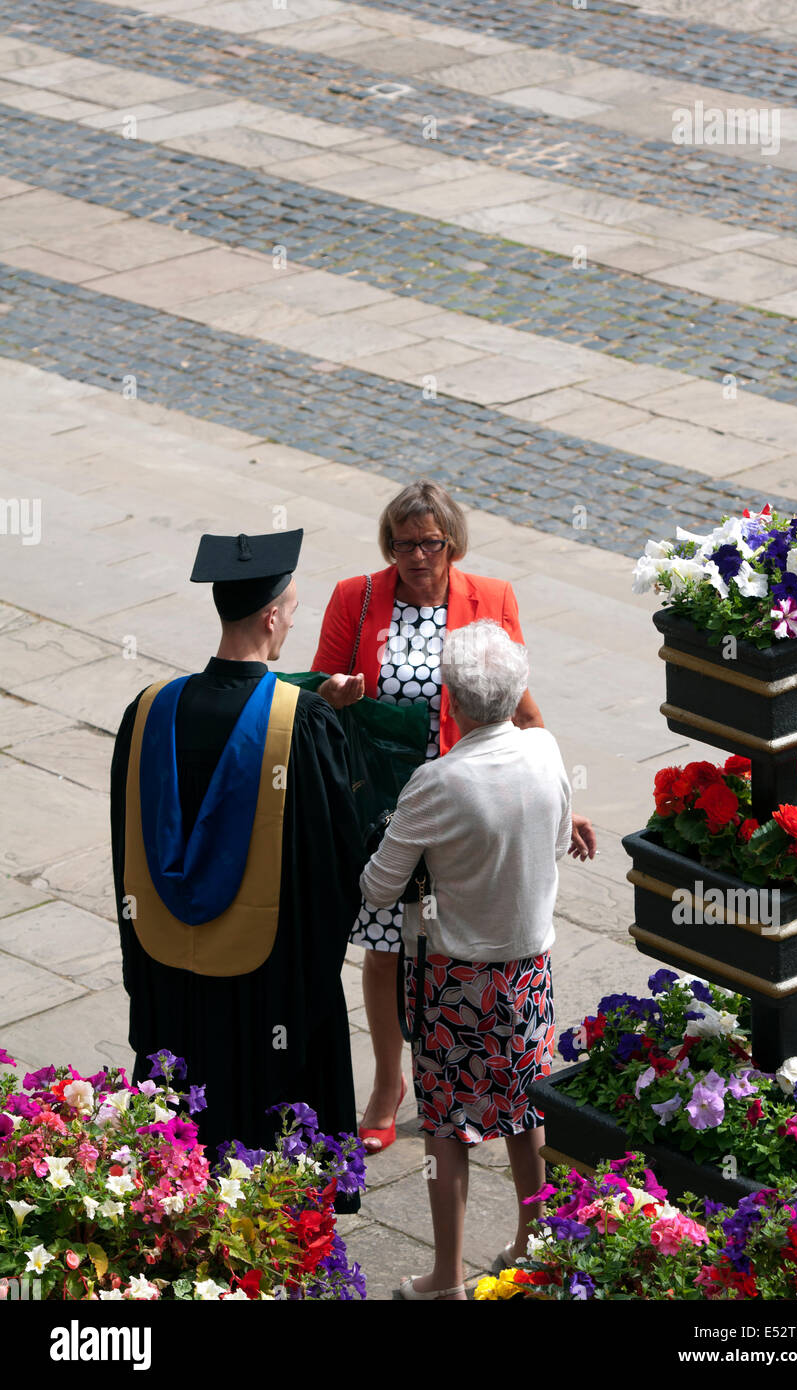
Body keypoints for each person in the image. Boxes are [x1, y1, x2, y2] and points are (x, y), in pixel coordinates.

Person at [312, 480, 596, 1155]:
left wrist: (559, 789)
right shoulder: (355, 599)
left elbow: (517, 703)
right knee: (383, 949)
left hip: (465, 806)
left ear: (451, 543)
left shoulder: (491, 600)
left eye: (429, 543)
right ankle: (388, 1083)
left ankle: (468, 1082)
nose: (416, 556)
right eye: (403, 543)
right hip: (387, 809)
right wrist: (337, 695)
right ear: (389, 546)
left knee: (452, 952)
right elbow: (313, 699)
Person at [110, 530, 364, 1185]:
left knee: (184, 1141)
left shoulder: (148, 711)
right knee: (264, 1145)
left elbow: (125, 854)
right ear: (272, 616)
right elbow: (331, 866)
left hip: (171, 969)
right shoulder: (299, 722)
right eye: (293, 612)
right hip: (268, 982)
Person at [360, 619, 577, 1298]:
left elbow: (377, 886)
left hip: (452, 977)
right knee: (525, 1112)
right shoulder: (545, 751)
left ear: (450, 700)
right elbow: (561, 838)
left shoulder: (437, 781)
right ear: (517, 693)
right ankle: (529, 1243)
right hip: (528, 970)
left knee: (448, 1129)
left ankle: (446, 1278)